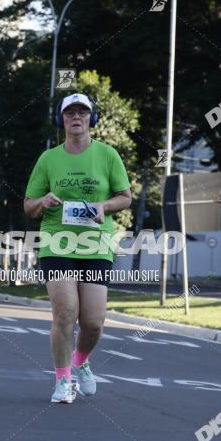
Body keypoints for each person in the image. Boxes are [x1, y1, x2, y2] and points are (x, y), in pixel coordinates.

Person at [24, 93, 132, 403]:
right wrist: (42, 202)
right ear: (62, 120)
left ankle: (80, 361)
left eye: (82, 112)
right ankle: (62, 381)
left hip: (94, 243)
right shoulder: (48, 159)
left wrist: (104, 205)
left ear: (91, 119)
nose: (76, 117)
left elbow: (125, 197)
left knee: (94, 322)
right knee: (65, 312)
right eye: (69, 112)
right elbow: (29, 206)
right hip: (56, 242)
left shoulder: (108, 155)